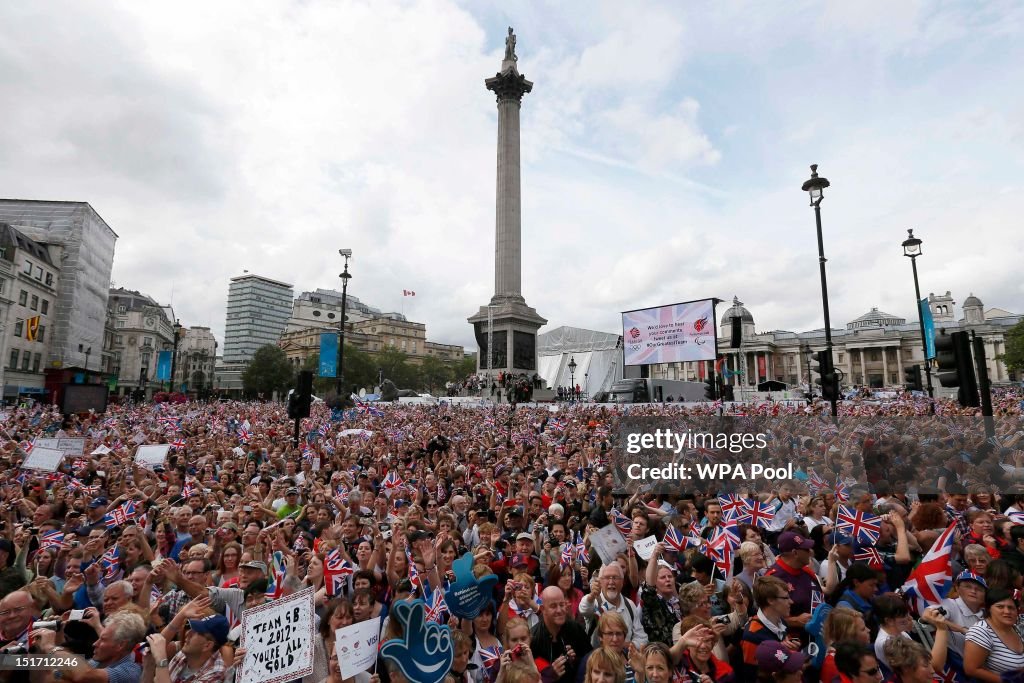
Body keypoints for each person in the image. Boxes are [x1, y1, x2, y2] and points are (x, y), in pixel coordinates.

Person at [530, 586, 592, 683]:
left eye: (562, 605)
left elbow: (591, 661)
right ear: (543, 609)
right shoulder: (533, 638)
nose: (559, 610)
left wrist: (575, 661)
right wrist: (550, 675)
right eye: (553, 606)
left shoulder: (575, 629)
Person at [578, 564, 647, 648]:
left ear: (622, 582)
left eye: (615, 577)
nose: (611, 582)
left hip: (625, 658)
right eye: (607, 578)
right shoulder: (593, 601)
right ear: (600, 581)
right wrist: (591, 596)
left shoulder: (629, 605)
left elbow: (642, 637)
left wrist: (625, 646)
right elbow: (584, 609)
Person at [964, 587, 1024, 681]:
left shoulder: (1015, 628)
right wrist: (1007, 681)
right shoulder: (981, 631)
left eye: (1011, 608)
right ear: (989, 609)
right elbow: (971, 669)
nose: (1007, 611)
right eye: (1000, 607)